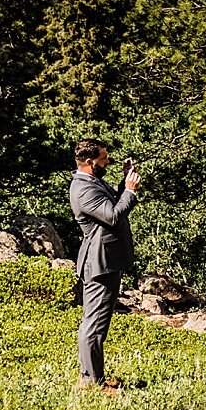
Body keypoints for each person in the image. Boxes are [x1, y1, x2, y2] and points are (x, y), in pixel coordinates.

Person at [70, 138, 140, 389]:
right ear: (90, 162)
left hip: (107, 260)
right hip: (99, 263)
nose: (107, 161)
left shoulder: (92, 181)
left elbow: (110, 204)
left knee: (99, 320)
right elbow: (112, 216)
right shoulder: (83, 189)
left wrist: (124, 182)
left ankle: (93, 375)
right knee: (94, 323)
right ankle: (90, 380)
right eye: (104, 158)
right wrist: (130, 192)